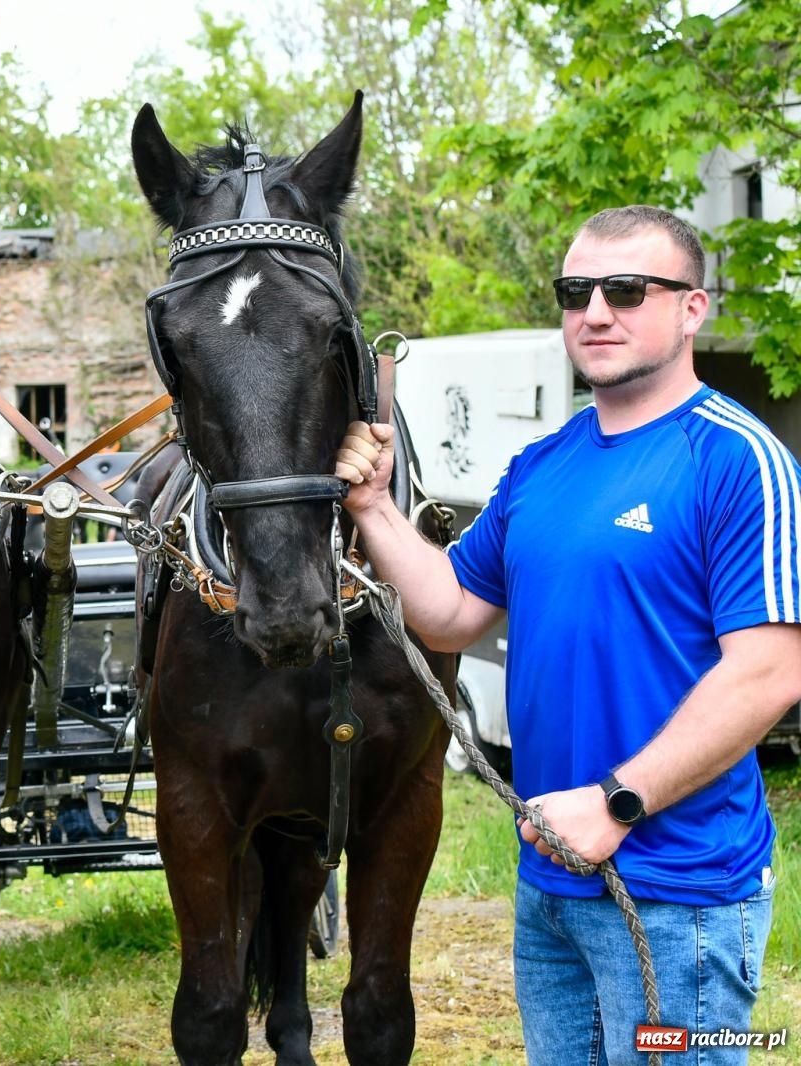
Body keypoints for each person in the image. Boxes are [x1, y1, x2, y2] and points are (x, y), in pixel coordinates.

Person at [334, 206, 801, 1064]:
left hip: (678, 896)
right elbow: (447, 611)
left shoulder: (738, 459)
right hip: (550, 886)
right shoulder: (541, 466)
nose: (595, 311)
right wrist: (372, 508)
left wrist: (615, 803)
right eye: (575, 290)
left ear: (692, 309)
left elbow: (770, 674)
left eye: (627, 290)